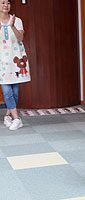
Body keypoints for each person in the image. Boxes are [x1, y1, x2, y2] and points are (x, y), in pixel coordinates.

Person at [0, 0, 30, 131]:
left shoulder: (17, 20)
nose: (6, 5)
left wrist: (12, 26)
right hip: (2, 60)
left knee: (15, 92)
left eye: (8, 2)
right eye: (2, 3)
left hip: (15, 58)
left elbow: (20, 38)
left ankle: (8, 115)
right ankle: (17, 119)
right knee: (6, 90)